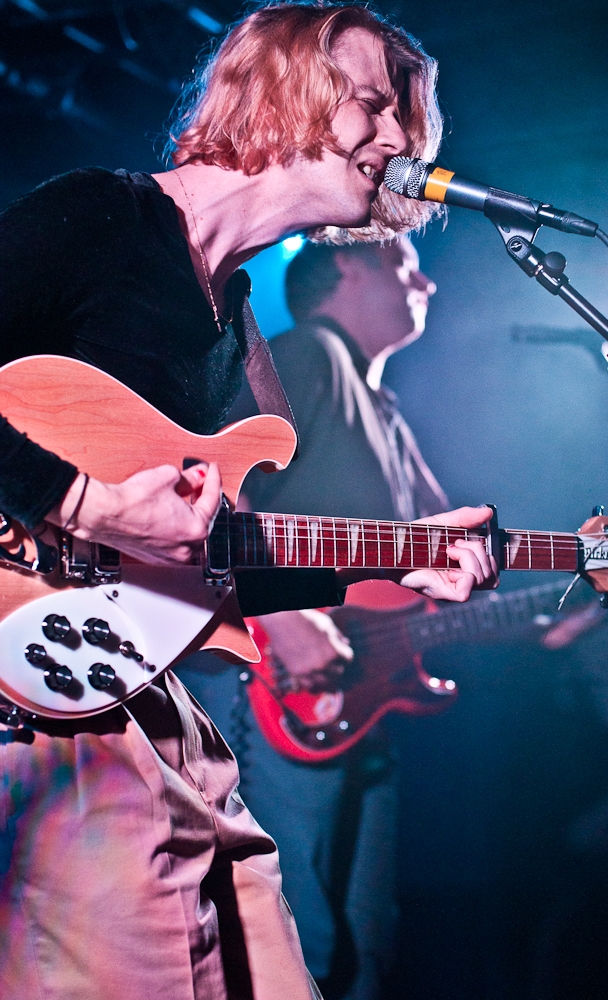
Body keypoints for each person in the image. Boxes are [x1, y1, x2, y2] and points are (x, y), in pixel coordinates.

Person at [0, 5, 496, 999]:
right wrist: (82, 498)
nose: (398, 140)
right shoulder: (97, 213)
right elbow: (99, 513)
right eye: (371, 105)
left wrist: (388, 556)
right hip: (56, 722)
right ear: (279, 93)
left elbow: (198, 559)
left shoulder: (234, 321)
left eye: (406, 118)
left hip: (148, 691)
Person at [177, 234, 448, 1000]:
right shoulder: (309, 356)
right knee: (302, 950)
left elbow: (437, 568)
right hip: (264, 690)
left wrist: (562, 597)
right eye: (403, 263)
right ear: (342, 270)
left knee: (364, 949)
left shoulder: (384, 407)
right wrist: (287, 620)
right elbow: (205, 474)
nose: (425, 280)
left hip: (359, 702)